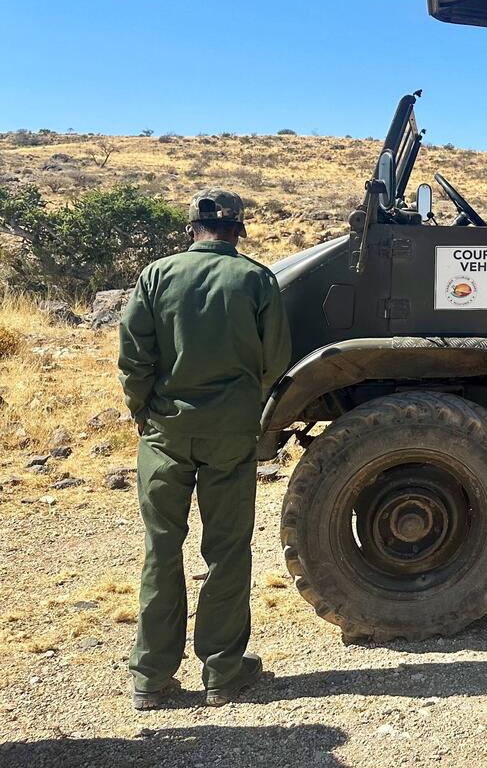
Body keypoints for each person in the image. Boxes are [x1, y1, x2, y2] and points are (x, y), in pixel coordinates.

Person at [117, 188, 292, 709]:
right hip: (231, 433)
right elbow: (276, 359)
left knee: (161, 549)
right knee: (227, 550)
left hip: (165, 433)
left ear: (192, 226)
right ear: (238, 228)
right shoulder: (256, 279)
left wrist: (145, 412)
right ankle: (222, 671)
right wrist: (241, 404)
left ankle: (150, 676)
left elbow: (133, 357)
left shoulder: (157, 275)